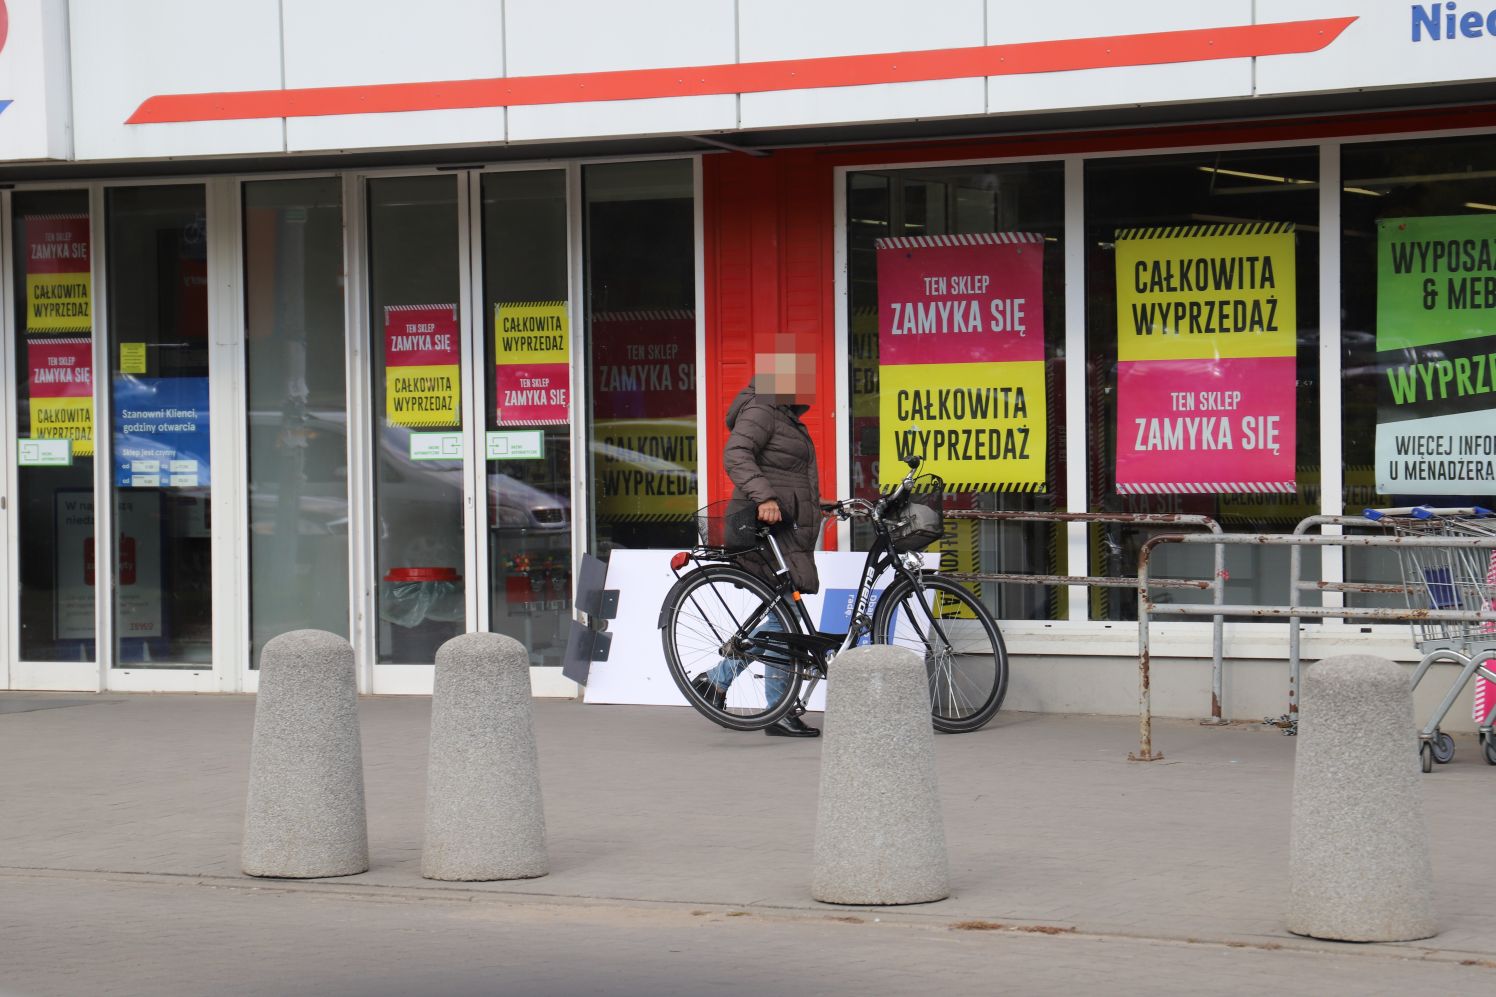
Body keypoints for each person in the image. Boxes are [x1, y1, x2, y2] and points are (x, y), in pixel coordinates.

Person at [691, 341, 823, 737]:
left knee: (781, 613)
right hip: (762, 524)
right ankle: (774, 708)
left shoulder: (782, 414)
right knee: (783, 614)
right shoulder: (762, 409)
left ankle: (719, 681)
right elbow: (736, 454)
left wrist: (821, 505)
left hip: (785, 525)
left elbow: (790, 474)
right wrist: (765, 496)